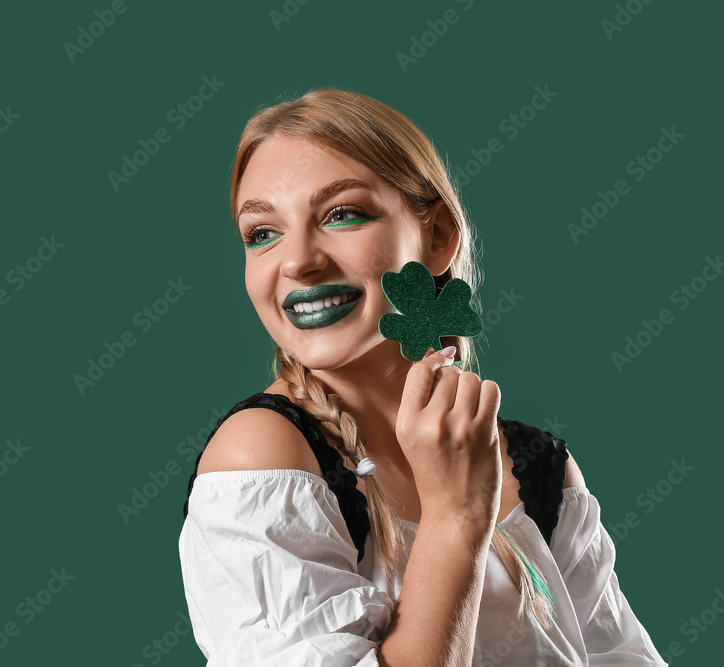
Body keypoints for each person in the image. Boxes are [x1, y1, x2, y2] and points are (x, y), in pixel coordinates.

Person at [177, 87, 666, 666]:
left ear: (436, 238)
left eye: (341, 215)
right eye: (262, 233)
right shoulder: (263, 456)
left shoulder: (539, 468)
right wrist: (456, 517)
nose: (298, 261)